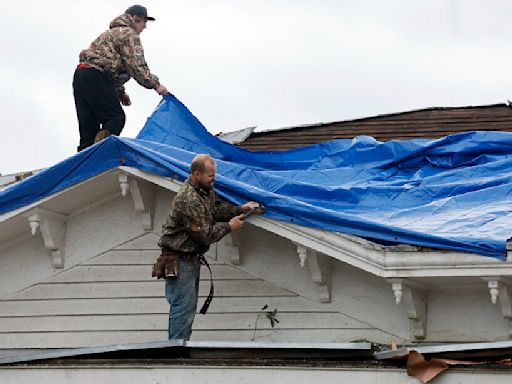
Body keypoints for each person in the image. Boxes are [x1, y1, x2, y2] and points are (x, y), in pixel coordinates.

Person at [157, 154, 263, 340]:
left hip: (190, 258)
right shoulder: (188, 199)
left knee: (187, 307)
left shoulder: (205, 190)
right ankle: (176, 352)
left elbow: (215, 209)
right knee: (183, 307)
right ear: (197, 174)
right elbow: (204, 234)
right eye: (210, 175)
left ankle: (179, 346)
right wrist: (230, 226)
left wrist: (241, 209)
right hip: (179, 259)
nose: (214, 178)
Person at [73, 5, 169, 152]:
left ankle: (82, 161)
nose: (145, 27)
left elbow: (109, 65)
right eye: (144, 22)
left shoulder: (109, 34)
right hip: (96, 75)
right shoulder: (129, 34)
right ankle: (99, 154)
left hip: (81, 75)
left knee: (88, 128)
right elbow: (136, 65)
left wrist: (120, 92)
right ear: (136, 18)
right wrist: (156, 85)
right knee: (115, 118)